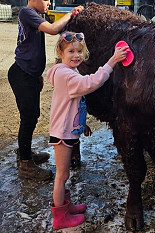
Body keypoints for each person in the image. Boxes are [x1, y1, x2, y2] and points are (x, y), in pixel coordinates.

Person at [47, 31, 128, 230]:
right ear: (60, 52)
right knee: (62, 175)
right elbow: (91, 83)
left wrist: (81, 125)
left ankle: (66, 207)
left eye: (79, 51)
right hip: (62, 134)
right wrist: (113, 61)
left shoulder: (67, 71)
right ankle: (60, 216)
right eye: (71, 51)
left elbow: (74, 103)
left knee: (64, 175)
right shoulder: (67, 75)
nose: (76, 55)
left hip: (68, 129)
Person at [7, 0, 84, 181]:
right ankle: (25, 163)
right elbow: (52, 29)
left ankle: (25, 152)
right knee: (28, 118)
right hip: (21, 74)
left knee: (33, 115)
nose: (49, 2)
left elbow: (33, 49)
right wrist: (71, 13)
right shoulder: (27, 12)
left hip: (30, 75)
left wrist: (37, 75)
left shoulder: (35, 14)